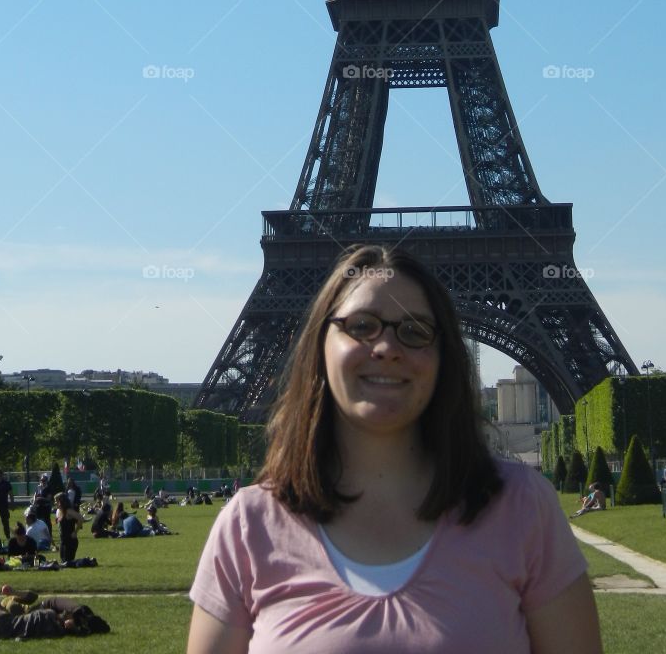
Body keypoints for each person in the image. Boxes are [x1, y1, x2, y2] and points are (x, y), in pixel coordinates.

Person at [187, 245, 601, 654]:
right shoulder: (248, 525)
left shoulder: (524, 508)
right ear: (320, 343)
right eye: (362, 325)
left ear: (444, 359)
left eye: (415, 331)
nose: (386, 348)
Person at [54, 493, 83, 565]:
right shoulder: (59, 511)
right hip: (63, 541)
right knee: (62, 562)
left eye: (56, 501)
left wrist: (75, 532)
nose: (55, 503)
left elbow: (81, 519)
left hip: (70, 541)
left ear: (61, 501)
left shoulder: (68, 511)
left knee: (68, 563)